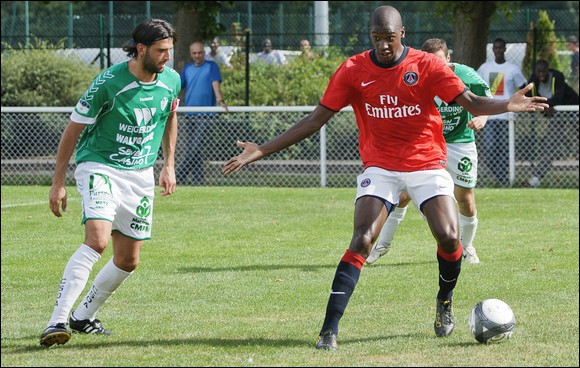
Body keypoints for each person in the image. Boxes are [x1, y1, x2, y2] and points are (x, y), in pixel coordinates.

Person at [222, 5, 547, 350]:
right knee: (362, 239)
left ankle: (445, 300)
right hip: (380, 167)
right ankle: (328, 330)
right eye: (377, 39)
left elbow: (471, 102)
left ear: (402, 34)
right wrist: (263, 149)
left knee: (450, 238)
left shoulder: (427, 65)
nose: (383, 46)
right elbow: (315, 120)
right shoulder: (353, 70)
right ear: (371, 37)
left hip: (426, 164)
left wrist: (505, 104)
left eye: (389, 38)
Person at [40, 18, 181, 347]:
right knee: (98, 240)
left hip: (140, 175)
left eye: (170, 51)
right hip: (99, 166)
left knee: (128, 260)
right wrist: (58, 181)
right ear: (141, 49)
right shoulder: (108, 82)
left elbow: (170, 115)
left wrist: (169, 164)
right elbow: (73, 129)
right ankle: (56, 320)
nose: (167, 58)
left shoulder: (171, 80)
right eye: (161, 51)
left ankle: (82, 316)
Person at [366, 38, 491, 266]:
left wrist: (481, 118)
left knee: (465, 199)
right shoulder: (415, 74)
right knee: (402, 196)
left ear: (449, 59)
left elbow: (484, 100)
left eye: (440, 62)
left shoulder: (467, 75)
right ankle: (381, 246)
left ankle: (467, 246)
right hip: (427, 144)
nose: (434, 67)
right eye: (429, 62)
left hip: (460, 142)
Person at [477, 37, 528, 186]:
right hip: (489, 115)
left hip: (507, 116)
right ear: (493, 49)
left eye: (501, 48)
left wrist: (522, 106)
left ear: (505, 49)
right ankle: (501, 178)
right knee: (490, 148)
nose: (498, 50)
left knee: (505, 150)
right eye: (496, 48)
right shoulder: (484, 68)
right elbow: (476, 87)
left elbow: (523, 87)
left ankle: (504, 180)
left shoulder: (513, 69)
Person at [178, 41, 229, 185]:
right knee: (195, 150)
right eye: (194, 53)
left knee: (194, 147)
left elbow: (215, 84)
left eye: (200, 52)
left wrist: (221, 101)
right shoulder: (187, 68)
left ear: (204, 53)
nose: (197, 55)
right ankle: (198, 181)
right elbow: (178, 86)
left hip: (205, 114)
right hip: (189, 114)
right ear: (191, 54)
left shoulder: (211, 66)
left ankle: (178, 177)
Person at [526, 59, 579, 187]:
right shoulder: (533, 80)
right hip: (557, 115)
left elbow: (558, 97)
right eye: (538, 72)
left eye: (543, 71)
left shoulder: (557, 76)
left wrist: (546, 105)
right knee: (551, 143)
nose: (541, 74)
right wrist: (546, 107)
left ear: (548, 70)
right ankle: (536, 178)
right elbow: (529, 98)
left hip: (572, 110)